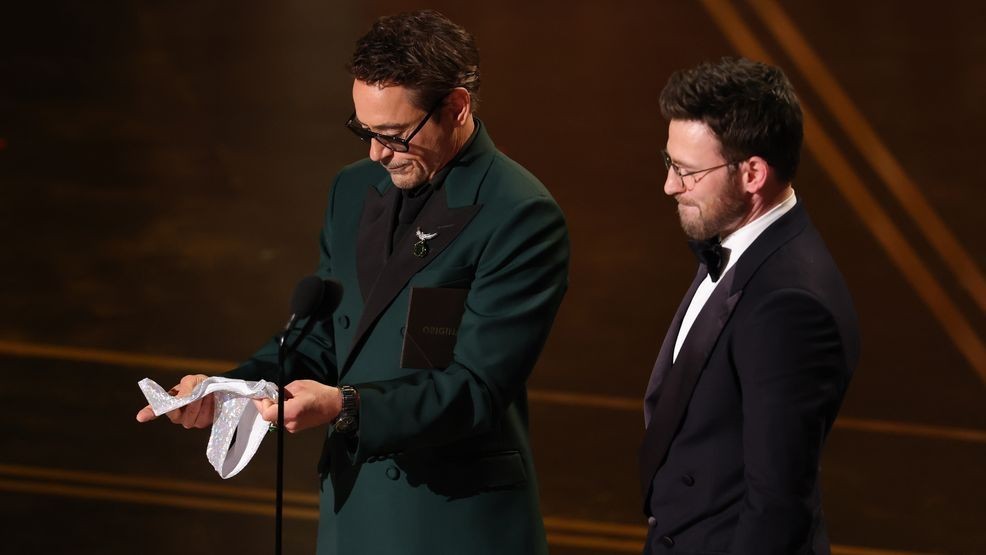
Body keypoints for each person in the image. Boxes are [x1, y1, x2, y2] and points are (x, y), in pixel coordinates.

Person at [136, 10, 568, 555]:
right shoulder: (353, 190)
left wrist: (345, 406)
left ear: (456, 107)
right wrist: (229, 391)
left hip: (451, 522)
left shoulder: (519, 215)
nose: (376, 152)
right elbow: (321, 337)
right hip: (354, 512)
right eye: (364, 130)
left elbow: (474, 390)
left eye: (393, 134)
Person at [639, 57, 859, 554]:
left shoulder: (789, 305)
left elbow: (778, 503)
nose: (670, 185)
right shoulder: (738, 237)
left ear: (753, 173)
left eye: (687, 171)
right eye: (669, 162)